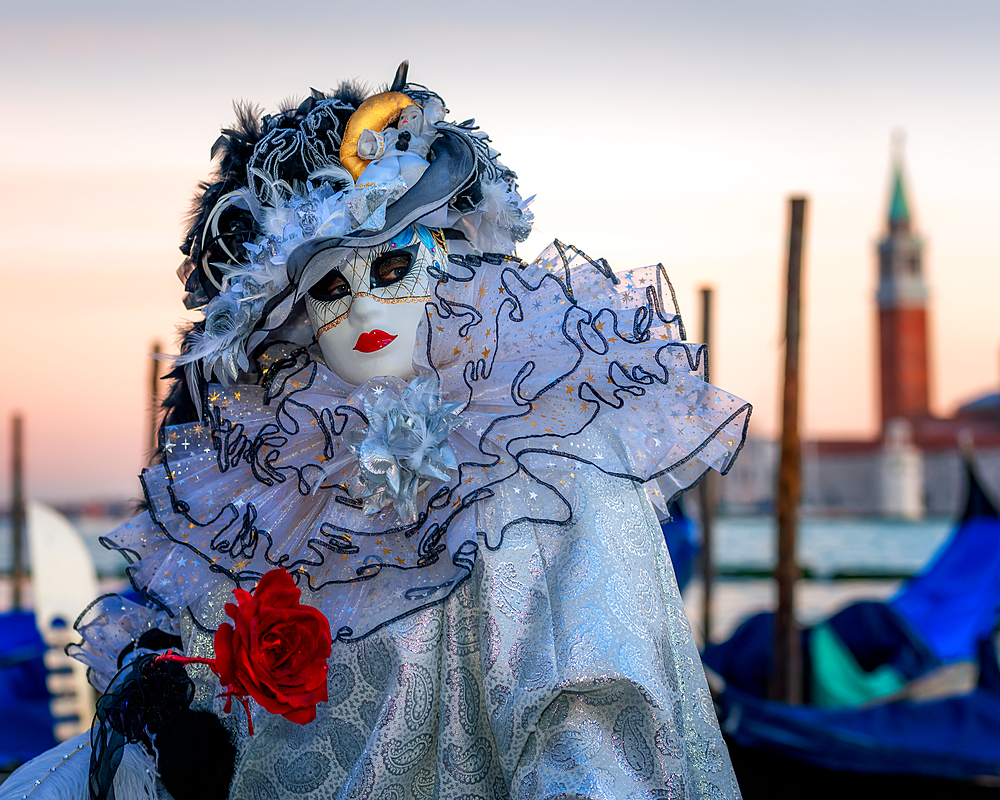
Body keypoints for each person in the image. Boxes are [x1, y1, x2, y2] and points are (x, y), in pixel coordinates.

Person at [2, 63, 751, 800]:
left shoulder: (548, 452)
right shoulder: (274, 481)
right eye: (328, 286)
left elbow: (592, 733)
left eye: (392, 265)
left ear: (452, 261)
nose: (362, 309)